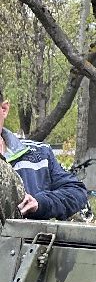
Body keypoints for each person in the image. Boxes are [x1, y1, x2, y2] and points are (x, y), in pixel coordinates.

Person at [0, 90, 87, 219]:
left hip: (28, 238)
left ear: (4, 109)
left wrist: (40, 203)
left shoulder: (40, 154)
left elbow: (76, 191)